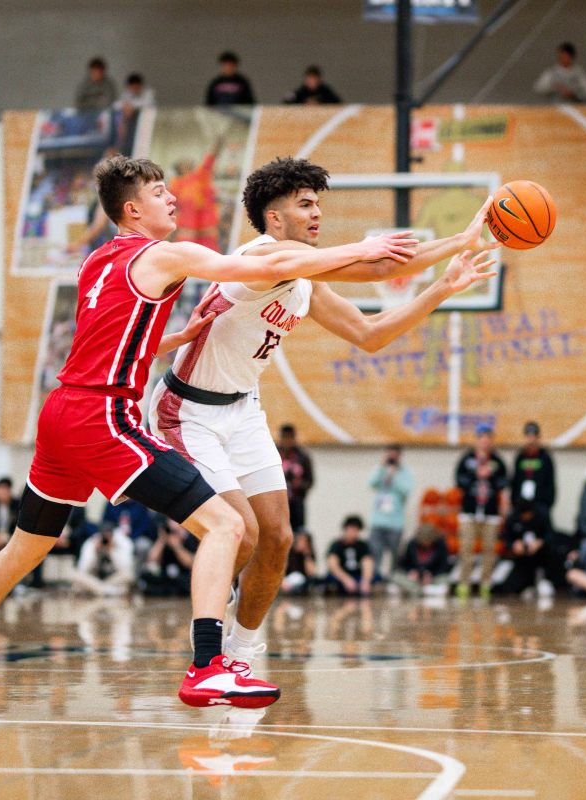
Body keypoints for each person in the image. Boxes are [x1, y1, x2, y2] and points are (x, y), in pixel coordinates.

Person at [0, 153, 418, 710]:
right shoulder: (164, 253)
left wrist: (179, 340)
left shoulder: (97, 264)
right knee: (227, 525)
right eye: (160, 193)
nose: (173, 199)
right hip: (102, 418)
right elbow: (248, 270)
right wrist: (364, 250)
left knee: (25, 547)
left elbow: (105, 346)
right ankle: (208, 666)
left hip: (60, 412)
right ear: (133, 211)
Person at [149, 155, 495, 676]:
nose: (317, 214)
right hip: (188, 409)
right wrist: (461, 240)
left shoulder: (309, 278)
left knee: (279, 538)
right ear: (274, 218)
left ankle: (240, 653)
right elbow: (380, 265)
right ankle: (209, 639)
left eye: (318, 204)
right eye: (305, 204)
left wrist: (442, 288)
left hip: (242, 410)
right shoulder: (266, 254)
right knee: (241, 530)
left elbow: (370, 334)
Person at [454, 423, 508, 599]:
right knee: (467, 549)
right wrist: (475, 476)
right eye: (481, 437)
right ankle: (465, 583)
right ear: (476, 440)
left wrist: (489, 476)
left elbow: (503, 482)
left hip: (490, 513)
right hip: (470, 511)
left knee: (488, 550)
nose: (484, 441)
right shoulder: (467, 459)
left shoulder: (497, 461)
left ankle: (485, 583)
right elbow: (459, 481)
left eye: (488, 438)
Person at [495, 502, 560, 597]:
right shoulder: (513, 517)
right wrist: (514, 544)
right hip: (522, 558)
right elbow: (505, 536)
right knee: (511, 587)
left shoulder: (543, 515)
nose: (525, 517)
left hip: (542, 557)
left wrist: (540, 542)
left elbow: (551, 535)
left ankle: (544, 581)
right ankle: (526, 585)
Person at [368, 444, 413, 577]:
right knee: (375, 553)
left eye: (395, 454)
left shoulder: (406, 473)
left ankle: (394, 579)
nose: (392, 457)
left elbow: (406, 491)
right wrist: (382, 468)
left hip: (395, 522)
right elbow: (371, 483)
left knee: (395, 555)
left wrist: (394, 476)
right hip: (378, 520)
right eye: (389, 454)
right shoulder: (381, 469)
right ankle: (375, 579)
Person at [72, 522, 136, 596]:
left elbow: (125, 568)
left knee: (129, 575)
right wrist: (94, 552)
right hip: (94, 579)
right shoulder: (91, 542)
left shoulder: (123, 541)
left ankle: (100, 590)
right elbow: (83, 569)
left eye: (109, 535)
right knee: (76, 575)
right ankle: (108, 591)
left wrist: (112, 551)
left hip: (113, 580)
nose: (106, 538)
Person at [392, 523, 452, 597]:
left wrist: (431, 575)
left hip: (433, 577)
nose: (425, 544)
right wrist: (411, 572)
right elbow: (402, 564)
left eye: (428, 541)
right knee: (395, 576)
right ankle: (422, 590)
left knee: (445, 579)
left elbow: (444, 565)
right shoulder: (411, 544)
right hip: (414, 579)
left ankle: (420, 590)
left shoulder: (441, 545)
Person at [140, 518, 196, 597]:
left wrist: (177, 546)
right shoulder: (163, 540)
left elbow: (190, 564)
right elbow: (152, 560)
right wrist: (161, 540)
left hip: (184, 576)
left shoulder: (189, 540)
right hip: (166, 577)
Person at [510, 421, 556, 516]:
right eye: (528, 436)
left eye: (533, 436)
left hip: (540, 505)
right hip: (521, 504)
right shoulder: (520, 457)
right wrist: (514, 502)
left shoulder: (545, 458)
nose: (531, 439)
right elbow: (515, 481)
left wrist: (546, 505)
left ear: (538, 438)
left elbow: (550, 483)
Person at [277, 424, 314, 531]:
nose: (287, 441)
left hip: (297, 502)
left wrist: (299, 484)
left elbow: (310, 481)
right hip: (278, 503)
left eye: (290, 438)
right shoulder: (274, 455)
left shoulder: (303, 456)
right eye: (285, 437)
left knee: (298, 532)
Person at [326, 515, 374, 597]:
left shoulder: (362, 545)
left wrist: (365, 581)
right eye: (352, 529)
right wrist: (346, 579)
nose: (354, 532)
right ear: (345, 529)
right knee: (329, 580)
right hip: (341, 577)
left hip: (357, 576)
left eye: (356, 530)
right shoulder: (336, 545)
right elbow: (333, 565)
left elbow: (368, 562)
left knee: (377, 578)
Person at [280, 529, 318, 596]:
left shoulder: (309, 554)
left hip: (302, 583)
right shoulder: (289, 552)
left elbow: (312, 573)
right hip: (287, 580)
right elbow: (282, 568)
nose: (302, 543)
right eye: (300, 540)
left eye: (305, 541)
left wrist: (307, 555)